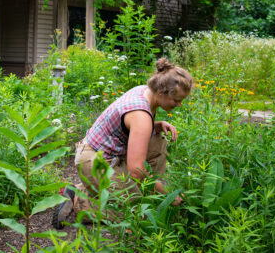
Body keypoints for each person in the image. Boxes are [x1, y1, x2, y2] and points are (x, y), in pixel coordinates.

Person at [53, 58, 193, 229]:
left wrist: (155, 126)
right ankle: (79, 202)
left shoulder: (146, 91)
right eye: (176, 100)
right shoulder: (141, 116)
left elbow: (127, 128)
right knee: (137, 210)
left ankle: (85, 187)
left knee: (159, 140)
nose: (179, 105)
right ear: (162, 92)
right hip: (93, 160)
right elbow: (137, 172)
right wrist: (167, 195)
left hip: (106, 154)